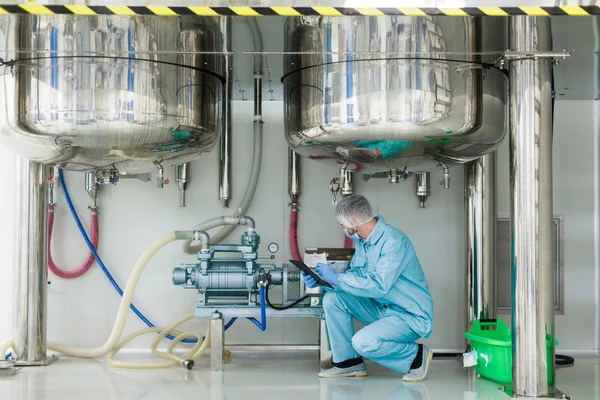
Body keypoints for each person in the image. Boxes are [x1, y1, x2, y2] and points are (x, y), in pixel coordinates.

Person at [302, 194, 434, 381]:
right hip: (382, 309)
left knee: (362, 342)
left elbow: (378, 286)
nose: (342, 228)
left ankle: (416, 356)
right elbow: (357, 277)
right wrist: (325, 281)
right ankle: (349, 363)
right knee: (333, 299)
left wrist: (337, 280)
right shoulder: (363, 243)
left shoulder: (393, 242)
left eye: (342, 224)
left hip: (409, 315)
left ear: (353, 220)